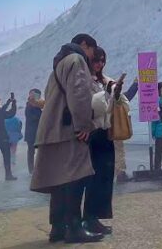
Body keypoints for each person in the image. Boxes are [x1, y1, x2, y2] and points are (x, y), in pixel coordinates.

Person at [30, 34, 101, 244]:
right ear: (84, 45)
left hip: (52, 128)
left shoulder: (58, 66)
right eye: (92, 51)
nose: (92, 56)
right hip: (68, 129)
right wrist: (83, 125)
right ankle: (74, 227)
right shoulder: (76, 60)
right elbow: (79, 94)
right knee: (75, 178)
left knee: (59, 181)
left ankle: (58, 227)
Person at [84, 47, 126, 236]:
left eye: (102, 61)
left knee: (105, 177)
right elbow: (92, 106)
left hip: (106, 131)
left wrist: (116, 92)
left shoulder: (105, 80)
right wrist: (107, 93)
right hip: (92, 132)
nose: (99, 64)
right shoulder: (85, 80)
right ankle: (89, 218)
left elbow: (115, 104)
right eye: (96, 60)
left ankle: (97, 217)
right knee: (93, 178)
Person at [114, 77, 139, 183]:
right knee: (119, 151)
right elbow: (128, 95)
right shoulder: (117, 98)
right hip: (115, 130)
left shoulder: (103, 98)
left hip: (105, 129)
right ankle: (120, 174)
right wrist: (136, 84)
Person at [24, 89, 44, 173]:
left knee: (41, 151)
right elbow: (32, 117)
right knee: (31, 151)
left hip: (39, 132)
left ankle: (40, 167)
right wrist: (42, 115)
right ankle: (31, 169)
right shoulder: (29, 106)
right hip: (31, 133)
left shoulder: (39, 106)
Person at [151, 82, 162, 174]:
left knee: (159, 152)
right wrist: (153, 132)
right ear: (158, 91)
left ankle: (158, 169)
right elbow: (154, 120)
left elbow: (154, 120)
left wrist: (153, 133)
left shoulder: (157, 102)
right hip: (161, 132)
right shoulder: (159, 102)